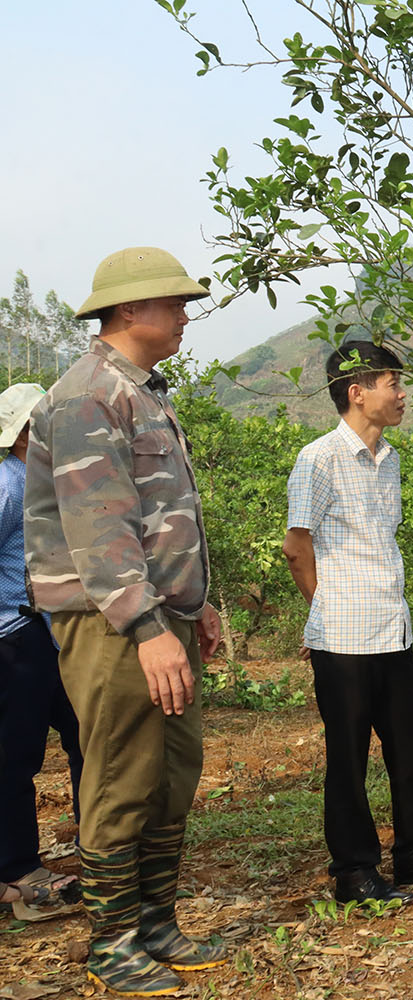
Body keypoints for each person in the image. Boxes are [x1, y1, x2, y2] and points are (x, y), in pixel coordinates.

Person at [25, 247, 228, 994]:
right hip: (112, 624)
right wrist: (145, 627)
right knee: (121, 777)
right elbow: (100, 527)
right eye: (174, 303)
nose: (185, 316)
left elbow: (160, 516)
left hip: (160, 616)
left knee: (171, 775)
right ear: (131, 309)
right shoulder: (88, 395)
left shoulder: (142, 392)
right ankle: (112, 943)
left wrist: (193, 603)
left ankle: (155, 924)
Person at [284, 341, 413, 906]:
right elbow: (297, 548)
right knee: (348, 759)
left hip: (392, 629)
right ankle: (354, 872)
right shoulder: (318, 458)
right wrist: (324, 611)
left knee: (410, 748)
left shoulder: (388, 458)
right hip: (343, 637)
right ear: (357, 393)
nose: (402, 395)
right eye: (393, 384)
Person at [0, 382, 84, 921]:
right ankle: (19, 870)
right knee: (15, 757)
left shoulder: (47, 483)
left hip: (54, 634)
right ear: (26, 433)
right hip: (17, 636)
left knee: (86, 737)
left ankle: (98, 845)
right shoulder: (8, 485)